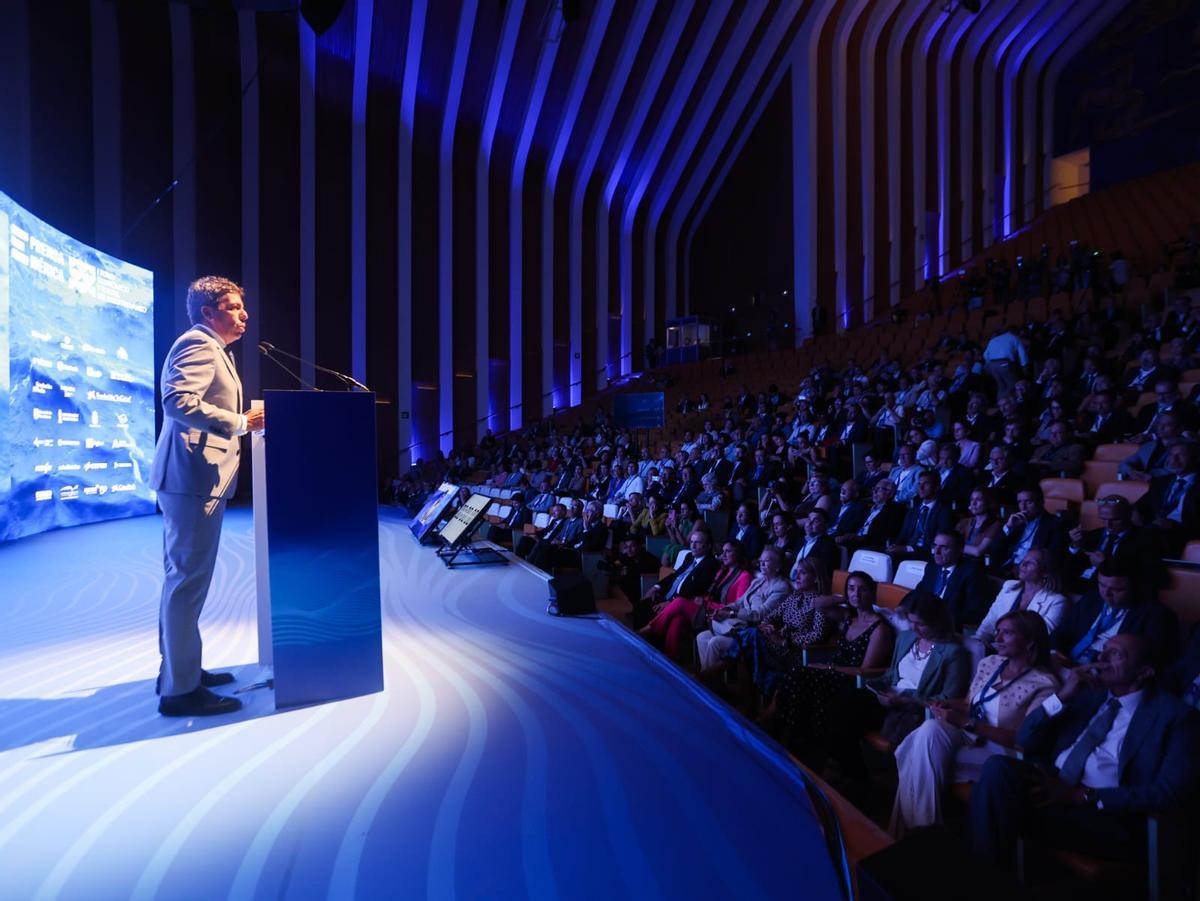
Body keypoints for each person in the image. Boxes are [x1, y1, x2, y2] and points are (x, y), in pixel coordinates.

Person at [969, 635, 1200, 879]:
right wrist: (1062, 696)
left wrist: (1080, 796)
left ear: (1144, 672)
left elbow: (1171, 793)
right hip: (1055, 786)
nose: (1101, 658)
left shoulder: (1177, 718)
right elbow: (1025, 738)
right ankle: (988, 879)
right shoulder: (1089, 694)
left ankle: (984, 880)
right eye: (1104, 650)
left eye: (1116, 654)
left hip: (1106, 814)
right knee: (997, 770)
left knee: (993, 803)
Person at [150, 276, 263, 717]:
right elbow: (177, 400)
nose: (244, 314)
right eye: (233, 307)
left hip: (195, 480)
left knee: (184, 582)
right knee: (185, 583)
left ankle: (183, 672)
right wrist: (239, 422)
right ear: (207, 313)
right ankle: (180, 692)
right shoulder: (197, 344)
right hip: (191, 479)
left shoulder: (214, 347)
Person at [891, 610, 1059, 837]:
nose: (997, 639)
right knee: (929, 731)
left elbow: (1023, 740)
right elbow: (969, 703)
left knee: (917, 753)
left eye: (1007, 633)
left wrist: (968, 723)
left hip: (1001, 753)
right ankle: (924, 834)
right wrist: (941, 703)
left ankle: (914, 835)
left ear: (1030, 642)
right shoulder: (991, 663)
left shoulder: (1044, 684)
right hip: (969, 735)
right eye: (997, 632)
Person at [829, 592, 971, 776]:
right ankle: (850, 770)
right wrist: (876, 685)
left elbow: (948, 698)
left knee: (846, 714)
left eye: (921, 624)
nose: (915, 628)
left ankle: (854, 775)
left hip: (913, 709)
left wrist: (904, 699)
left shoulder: (953, 653)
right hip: (888, 700)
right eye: (911, 622)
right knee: (840, 703)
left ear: (937, 622)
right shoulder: (905, 638)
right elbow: (891, 676)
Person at [770, 572, 895, 753]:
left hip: (851, 682)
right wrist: (846, 598)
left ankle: (789, 741)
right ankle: (790, 741)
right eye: (852, 589)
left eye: (863, 590)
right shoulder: (848, 618)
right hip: (830, 674)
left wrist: (828, 667)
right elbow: (817, 604)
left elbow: (865, 672)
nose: (856, 594)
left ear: (872, 593)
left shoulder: (879, 629)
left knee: (799, 676)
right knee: (797, 678)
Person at [703, 557, 833, 694]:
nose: (797, 576)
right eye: (797, 572)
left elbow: (817, 634)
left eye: (803, 573)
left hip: (793, 652)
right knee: (749, 642)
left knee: (750, 637)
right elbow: (771, 616)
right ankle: (722, 685)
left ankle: (708, 677)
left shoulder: (820, 603)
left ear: (816, 578)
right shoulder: (795, 596)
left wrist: (785, 640)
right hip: (775, 644)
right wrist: (766, 626)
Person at [640, 539, 753, 662]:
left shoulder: (744, 576)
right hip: (707, 610)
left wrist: (706, 603)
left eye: (728, 551)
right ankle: (670, 659)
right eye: (723, 551)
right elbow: (710, 593)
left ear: (737, 553)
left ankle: (649, 629)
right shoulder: (722, 571)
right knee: (677, 619)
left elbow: (737, 606)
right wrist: (702, 600)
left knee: (679, 601)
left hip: (722, 616)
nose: (723, 555)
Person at [973, 548, 1069, 647]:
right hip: (992, 645)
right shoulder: (1009, 585)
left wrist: (993, 648)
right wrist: (978, 642)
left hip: (1022, 655)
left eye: (1031, 563)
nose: (1022, 565)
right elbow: (989, 622)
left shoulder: (1057, 602)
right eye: (1023, 560)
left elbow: (1038, 640)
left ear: (1046, 572)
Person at [907, 530, 992, 631]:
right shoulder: (932, 567)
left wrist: (936, 617)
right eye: (935, 546)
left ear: (959, 550)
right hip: (924, 619)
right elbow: (920, 590)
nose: (936, 552)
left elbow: (974, 612)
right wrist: (904, 607)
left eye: (944, 548)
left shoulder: (972, 572)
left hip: (949, 626)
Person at [637, 528, 719, 629]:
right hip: (665, 595)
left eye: (698, 543)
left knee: (649, 614)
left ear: (708, 546)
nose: (692, 546)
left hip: (679, 601)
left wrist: (671, 601)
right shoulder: (690, 556)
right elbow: (674, 576)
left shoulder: (711, 564)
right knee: (640, 606)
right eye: (692, 542)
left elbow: (696, 588)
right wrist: (656, 586)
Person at [957, 487, 1002, 559]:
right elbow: (950, 541)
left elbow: (978, 551)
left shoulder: (995, 524)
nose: (974, 503)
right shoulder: (964, 522)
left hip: (977, 564)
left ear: (988, 502)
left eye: (979, 500)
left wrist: (955, 547)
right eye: (972, 500)